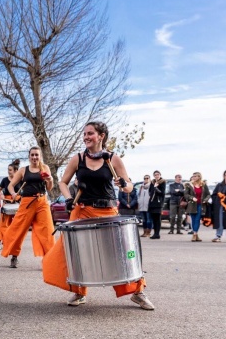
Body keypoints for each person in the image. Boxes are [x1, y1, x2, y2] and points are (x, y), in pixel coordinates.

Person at [42, 121, 155, 310]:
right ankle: (79, 291)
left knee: (121, 253)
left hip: (108, 211)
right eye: (84, 134)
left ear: (101, 136)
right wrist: (69, 198)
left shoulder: (113, 159)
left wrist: (123, 184)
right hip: (82, 210)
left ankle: (137, 292)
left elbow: (128, 185)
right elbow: (63, 182)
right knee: (74, 252)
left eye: (90, 133)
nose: (86, 137)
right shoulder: (77, 159)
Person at [0, 148, 55, 268]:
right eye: (32, 155)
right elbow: (10, 186)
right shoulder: (23, 170)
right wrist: (14, 194)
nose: (34, 157)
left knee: (47, 230)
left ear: (40, 156)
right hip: (27, 202)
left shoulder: (45, 168)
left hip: (42, 202)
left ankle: (48, 259)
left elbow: (50, 188)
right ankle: (14, 256)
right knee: (18, 229)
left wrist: (50, 179)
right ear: (29, 156)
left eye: (37, 155)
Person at [0, 159, 21, 250]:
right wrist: (1, 194)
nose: (8, 172)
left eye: (10, 170)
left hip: (17, 204)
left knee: (14, 225)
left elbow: (24, 192)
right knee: (3, 223)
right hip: (6, 203)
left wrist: (18, 197)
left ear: (16, 171)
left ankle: (9, 242)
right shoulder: (4, 180)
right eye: (8, 170)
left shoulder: (20, 180)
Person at [184, 172, 211, 242]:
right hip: (192, 205)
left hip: (200, 205)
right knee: (193, 219)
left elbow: (208, 194)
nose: (194, 177)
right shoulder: (189, 185)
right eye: (193, 176)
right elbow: (186, 195)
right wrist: (192, 198)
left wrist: (205, 200)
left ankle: (194, 234)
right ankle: (196, 234)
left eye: (195, 176)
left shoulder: (203, 185)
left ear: (199, 177)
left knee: (197, 219)